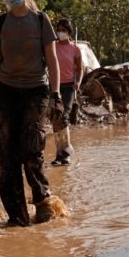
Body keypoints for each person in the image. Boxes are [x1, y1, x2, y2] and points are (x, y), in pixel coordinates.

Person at [0, 0, 64, 227]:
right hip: (6, 92)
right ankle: (16, 216)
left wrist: (56, 95)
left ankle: (42, 203)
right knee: (7, 156)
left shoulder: (40, 20)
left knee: (31, 151)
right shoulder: (0, 22)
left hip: (35, 91)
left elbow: (52, 60)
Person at [51, 18, 83, 166]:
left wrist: (78, 82)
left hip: (69, 87)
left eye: (63, 30)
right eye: (58, 29)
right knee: (55, 119)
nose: (60, 32)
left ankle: (66, 151)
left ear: (69, 33)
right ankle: (60, 153)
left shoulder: (75, 49)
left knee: (63, 117)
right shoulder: (52, 46)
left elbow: (80, 69)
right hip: (54, 87)